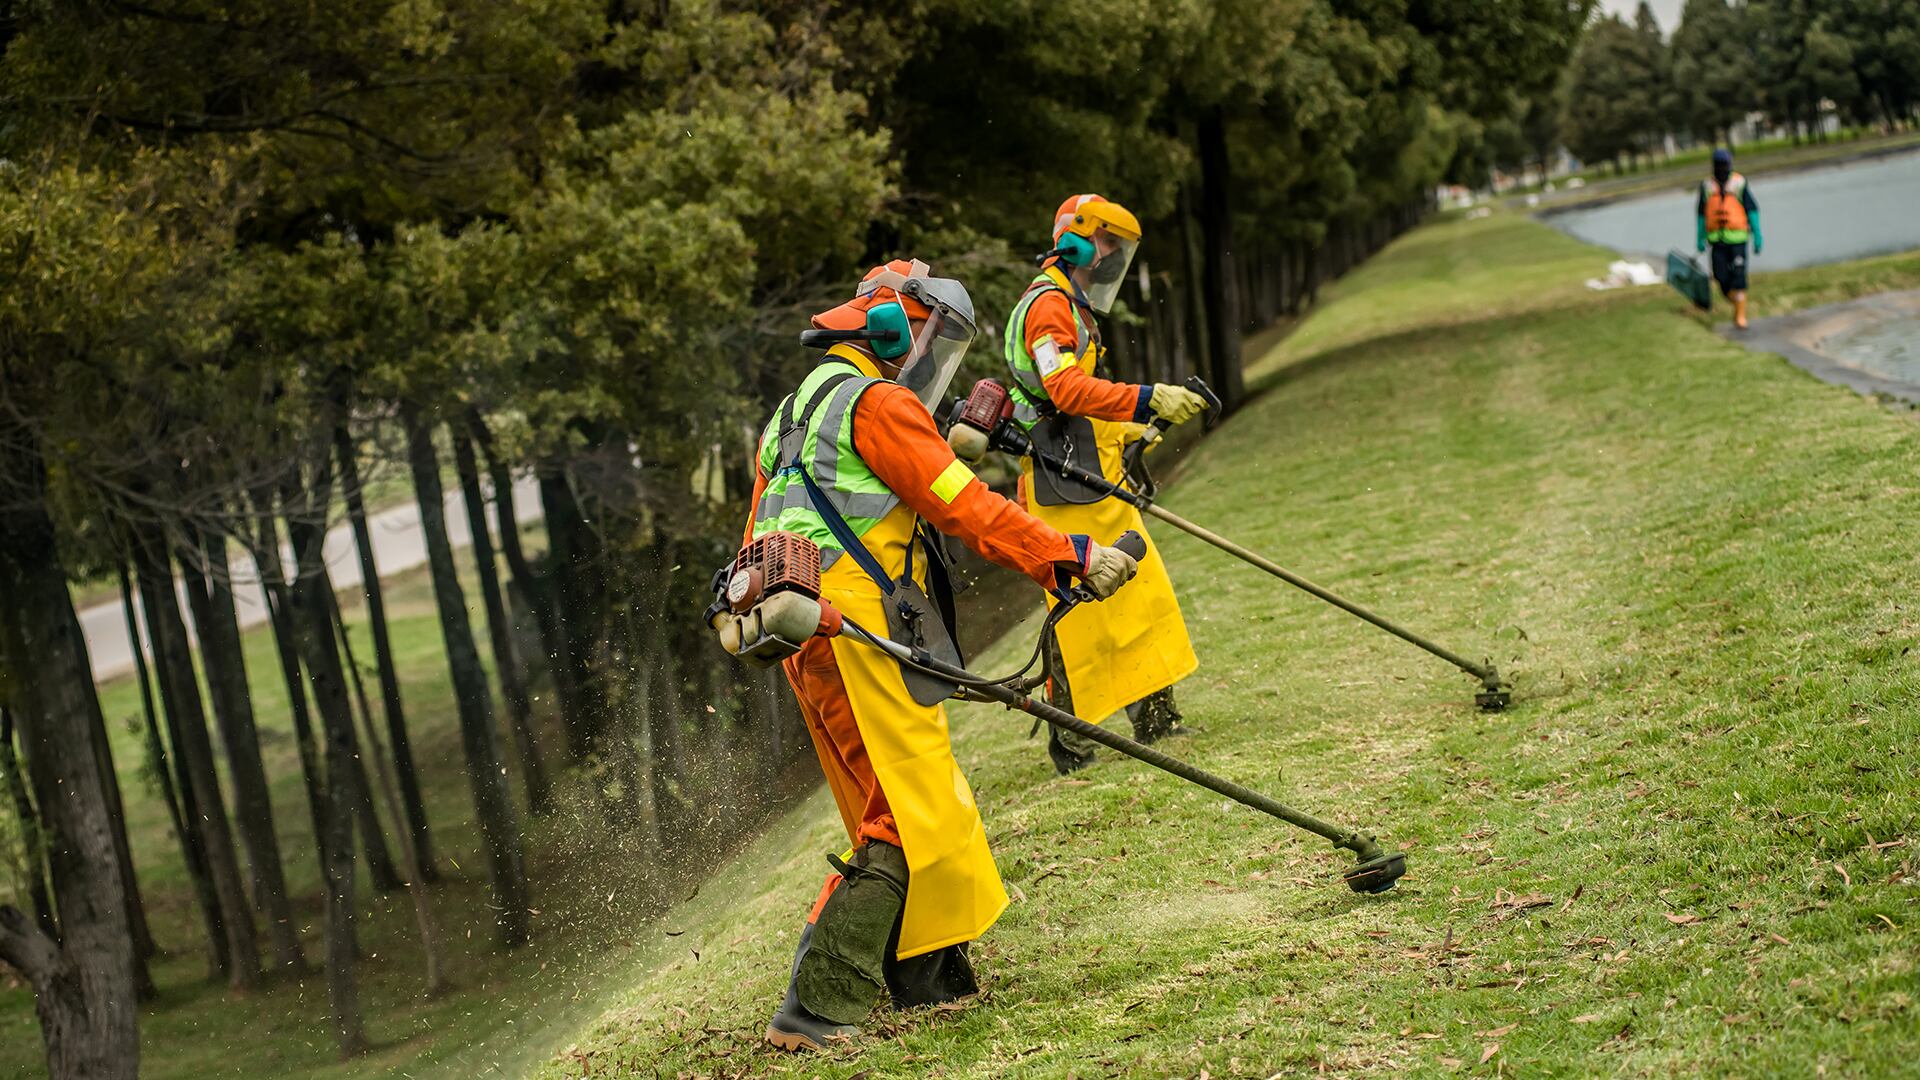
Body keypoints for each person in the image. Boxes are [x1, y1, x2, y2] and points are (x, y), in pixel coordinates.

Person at [741, 259, 1140, 1052]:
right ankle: (815, 1007)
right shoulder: (878, 402)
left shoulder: (793, 411)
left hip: (809, 627)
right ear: (895, 329)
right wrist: (1068, 555)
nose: (931, 358)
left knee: (887, 805)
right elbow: (966, 508)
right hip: (852, 627)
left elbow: (761, 535)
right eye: (935, 338)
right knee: (908, 811)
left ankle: (929, 977)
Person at [1002, 193, 1207, 775]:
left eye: (1118, 246)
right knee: (1078, 607)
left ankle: (1156, 719)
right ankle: (1072, 745)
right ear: (1077, 239)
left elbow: (1082, 399)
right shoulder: (1047, 307)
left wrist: (1133, 423)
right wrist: (1147, 395)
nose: (1112, 256)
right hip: (1058, 480)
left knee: (1138, 592)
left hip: (1087, 469)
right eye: (1107, 243)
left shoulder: (1073, 305)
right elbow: (1063, 392)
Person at [1697, 147, 1763, 329]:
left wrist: (1757, 234)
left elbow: (1752, 209)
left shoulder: (1739, 183)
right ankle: (1737, 304)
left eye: (1723, 164)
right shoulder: (1706, 186)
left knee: (1739, 277)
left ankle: (1740, 317)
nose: (1721, 168)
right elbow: (1701, 214)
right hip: (1716, 240)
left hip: (1738, 239)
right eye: (1718, 164)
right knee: (1721, 277)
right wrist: (1700, 237)